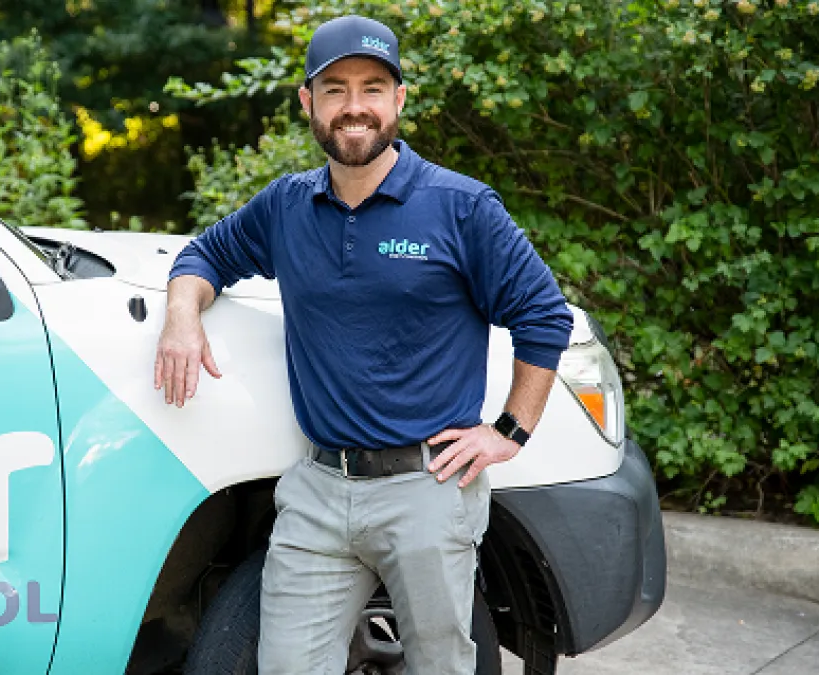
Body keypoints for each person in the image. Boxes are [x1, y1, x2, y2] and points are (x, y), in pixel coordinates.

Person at [155, 14, 574, 674]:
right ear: (308, 103)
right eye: (336, 89)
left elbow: (545, 317)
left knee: (441, 666)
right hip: (318, 490)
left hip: (427, 490)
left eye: (373, 88)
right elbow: (205, 254)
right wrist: (182, 315)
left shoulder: (462, 208)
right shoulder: (286, 206)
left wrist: (509, 432)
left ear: (399, 99)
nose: (355, 107)